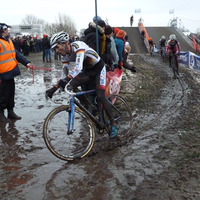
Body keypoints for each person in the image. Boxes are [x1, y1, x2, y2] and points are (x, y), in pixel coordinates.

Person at [46, 31, 118, 138]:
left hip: (99, 69)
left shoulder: (78, 46)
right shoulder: (64, 56)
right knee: (70, 87)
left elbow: (78, 68)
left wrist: (67, 79)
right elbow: (64, 74)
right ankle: (91, 107)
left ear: (65, 43)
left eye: (57, 47)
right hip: (88, 71)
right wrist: (55, 87)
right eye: (54, 49)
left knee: (100, 96)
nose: (57, 51)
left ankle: (113, 124)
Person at [0, 23, 34, 123]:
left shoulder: (8, 40)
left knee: (11, 94)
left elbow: (16, 54)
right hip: (2, 74)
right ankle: (1, 114)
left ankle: (10, 112)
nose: (7, 30)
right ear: (2, 30)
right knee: (3, 95)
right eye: (6, 29)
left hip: (11, 72)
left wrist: (26, 62)